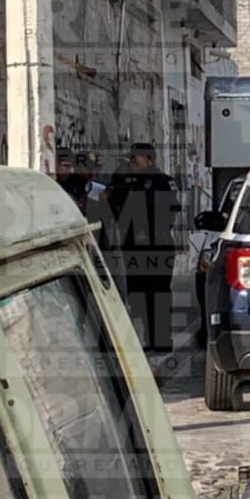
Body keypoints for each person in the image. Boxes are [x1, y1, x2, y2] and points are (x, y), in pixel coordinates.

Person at [107, 143, 182, 354]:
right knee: (140, 296)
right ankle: (150, 341)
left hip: (156, 247)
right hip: (135, 248)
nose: (131, 162)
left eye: (135, 159)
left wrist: (147, 232)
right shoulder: (131, 181)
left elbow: (168, 211)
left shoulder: (160, 181)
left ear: (149, 159)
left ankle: (160, 341)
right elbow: (112, 199)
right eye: (130, 159)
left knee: (157, 294)